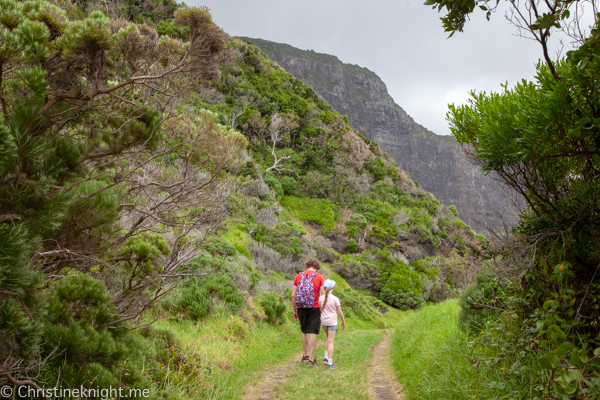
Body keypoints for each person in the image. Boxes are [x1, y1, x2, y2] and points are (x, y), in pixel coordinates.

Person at [292, 259, 325, 366]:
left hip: (301, 306)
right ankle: (311, 359)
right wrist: (322, 309)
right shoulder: (319, 277)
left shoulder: (298, 276)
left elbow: (293, 295)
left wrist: (294, 310)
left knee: (304, 330)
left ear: (307, 266)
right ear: (317, 267)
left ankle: (305, 355)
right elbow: (323, 295)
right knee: (312, 332)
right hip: (314, 307)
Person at [319, 279, 345, 369]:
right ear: (333, 287)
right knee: (331, 341)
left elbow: (320, 309)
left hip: (324, 322)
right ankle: (330, 363)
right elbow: (340, 313)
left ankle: (325, 358)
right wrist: (343, 322)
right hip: (332, 322)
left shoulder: (320, 298)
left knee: (327, 338)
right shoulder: (335, 299)